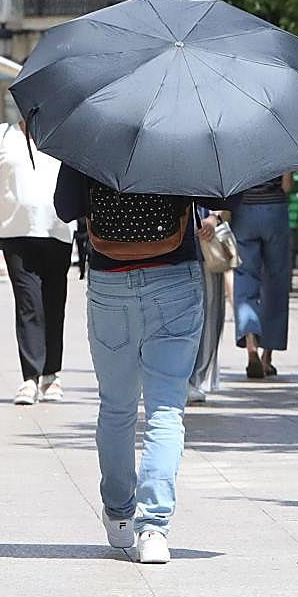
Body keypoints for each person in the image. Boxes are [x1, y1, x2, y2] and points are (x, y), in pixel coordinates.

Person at [54, 167, 231, 564]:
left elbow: (65, 207)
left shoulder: (94, 131)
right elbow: (227, 198)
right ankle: (153, 529)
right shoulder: (182, 133)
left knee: (116, 407)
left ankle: (119, 516)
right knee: (166, 409)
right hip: (175, 279)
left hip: (109, 279)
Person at [0, 120, 74, 406]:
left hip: (57, 230)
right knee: (28, 303)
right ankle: (30, 378)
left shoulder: (62, 132)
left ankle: (51, 375)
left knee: (54, 303)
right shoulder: (1, 136)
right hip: (16, 232)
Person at [232, 175, 293, 378]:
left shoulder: (237, 143)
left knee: (244, 277)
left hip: (244, 211)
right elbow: (287, 185)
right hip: (274, 209)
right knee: (276, 281)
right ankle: (267, 357)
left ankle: (251, 344)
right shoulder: (282, 144)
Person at [188, 208, 228, 404]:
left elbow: (226, 193)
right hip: (172, 245)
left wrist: (214, 218)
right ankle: (191, 379)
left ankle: (195, 379)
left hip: (203, 244)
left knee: (209, 312)